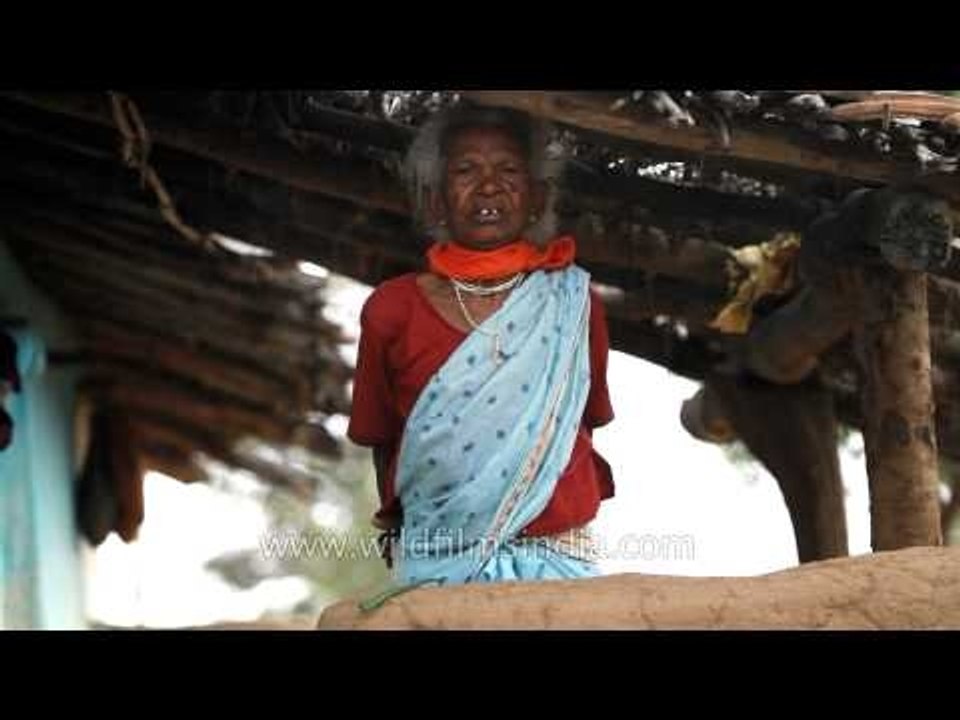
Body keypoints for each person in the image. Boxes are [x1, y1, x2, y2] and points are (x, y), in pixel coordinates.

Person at [347, 103, 614, 592]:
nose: (488, 186)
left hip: (559, 561)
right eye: (466, 170)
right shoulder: (392, 308)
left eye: (508, 170)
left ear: (538, 197)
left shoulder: (575, 304)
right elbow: (384, 440)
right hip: (437, 561)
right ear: (434, 201)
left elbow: (578, 424)